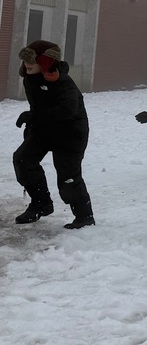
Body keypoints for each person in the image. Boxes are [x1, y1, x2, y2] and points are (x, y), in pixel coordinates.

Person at [11, 40, 96, 229]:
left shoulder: (64, 82)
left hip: (70, 133)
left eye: (31, 61)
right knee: (23, 159)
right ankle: (41, 203)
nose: (27, 65)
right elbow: (39, 107)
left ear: (46, 61)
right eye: (25, 61)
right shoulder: (30, 79)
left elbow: (67, 110)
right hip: (44, 129)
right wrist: (32, 125)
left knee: (68, 176)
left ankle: (84, 217)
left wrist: (32, 116)